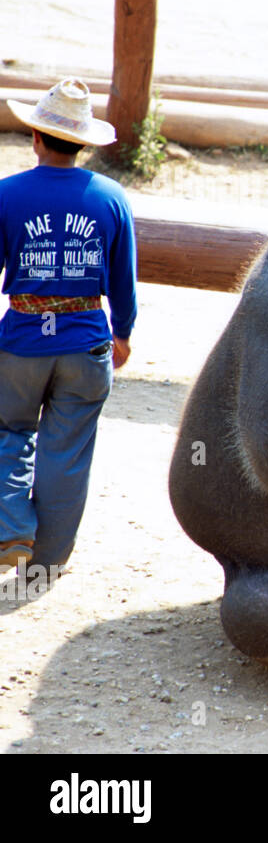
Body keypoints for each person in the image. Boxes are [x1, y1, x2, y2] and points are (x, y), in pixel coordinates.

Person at [0, 78, 136, 575]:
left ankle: (11, 525)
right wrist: (123, 331)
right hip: (85, 341)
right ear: (83, 143)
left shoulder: (6, 195)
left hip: (22, 339)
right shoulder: (111, 197)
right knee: (68, 450)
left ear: (36, 138)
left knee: (8, 429)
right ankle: (48, 559)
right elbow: (122, 277)